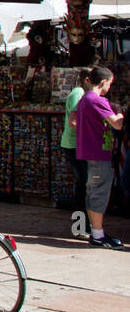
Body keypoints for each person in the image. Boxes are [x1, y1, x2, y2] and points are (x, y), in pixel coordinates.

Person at [75, 65, 124, 249]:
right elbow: (117, 124)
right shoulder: (97, 100)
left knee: (93, 192)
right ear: (103, 82)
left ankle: (97, 233)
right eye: (110, 83)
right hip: (98, 153)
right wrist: (119, 110)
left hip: (90, 152)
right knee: (99, 193)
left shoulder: (84, 99)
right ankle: (98, 235)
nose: (110, 87)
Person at [60, 69, 92, 219]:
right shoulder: (78, 93)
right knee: (83, 184)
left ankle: (82, 223)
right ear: (87, 80)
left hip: (77, 144)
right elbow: (74, 121)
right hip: (73, 144)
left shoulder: (81, 93)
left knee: (83, 183)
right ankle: (80, 224)